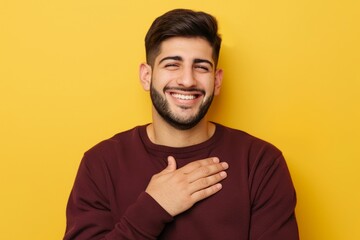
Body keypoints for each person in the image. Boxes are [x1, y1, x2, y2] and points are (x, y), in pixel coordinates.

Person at [64, 9, 299, 240]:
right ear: (147, 76)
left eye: (201, 67)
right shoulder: (101, 163)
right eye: (172, 64)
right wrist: (153, 208)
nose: (187, 80)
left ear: (217, 81)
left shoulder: (260, 162)